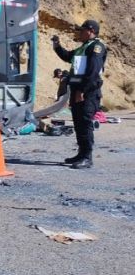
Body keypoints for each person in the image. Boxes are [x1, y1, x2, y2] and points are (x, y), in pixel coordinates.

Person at [52, 20, 107, 169]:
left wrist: (83, 90)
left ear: (91, 31)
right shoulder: (83, 47)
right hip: (77, 90)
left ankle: (87, 157)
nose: (80, 33)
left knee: (85, 123)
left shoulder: (96, 47)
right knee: (78, 123)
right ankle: (81, 153)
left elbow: (93, 72)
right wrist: (57, 46)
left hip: (87, 92)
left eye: (82, 30)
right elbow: (68, 56)